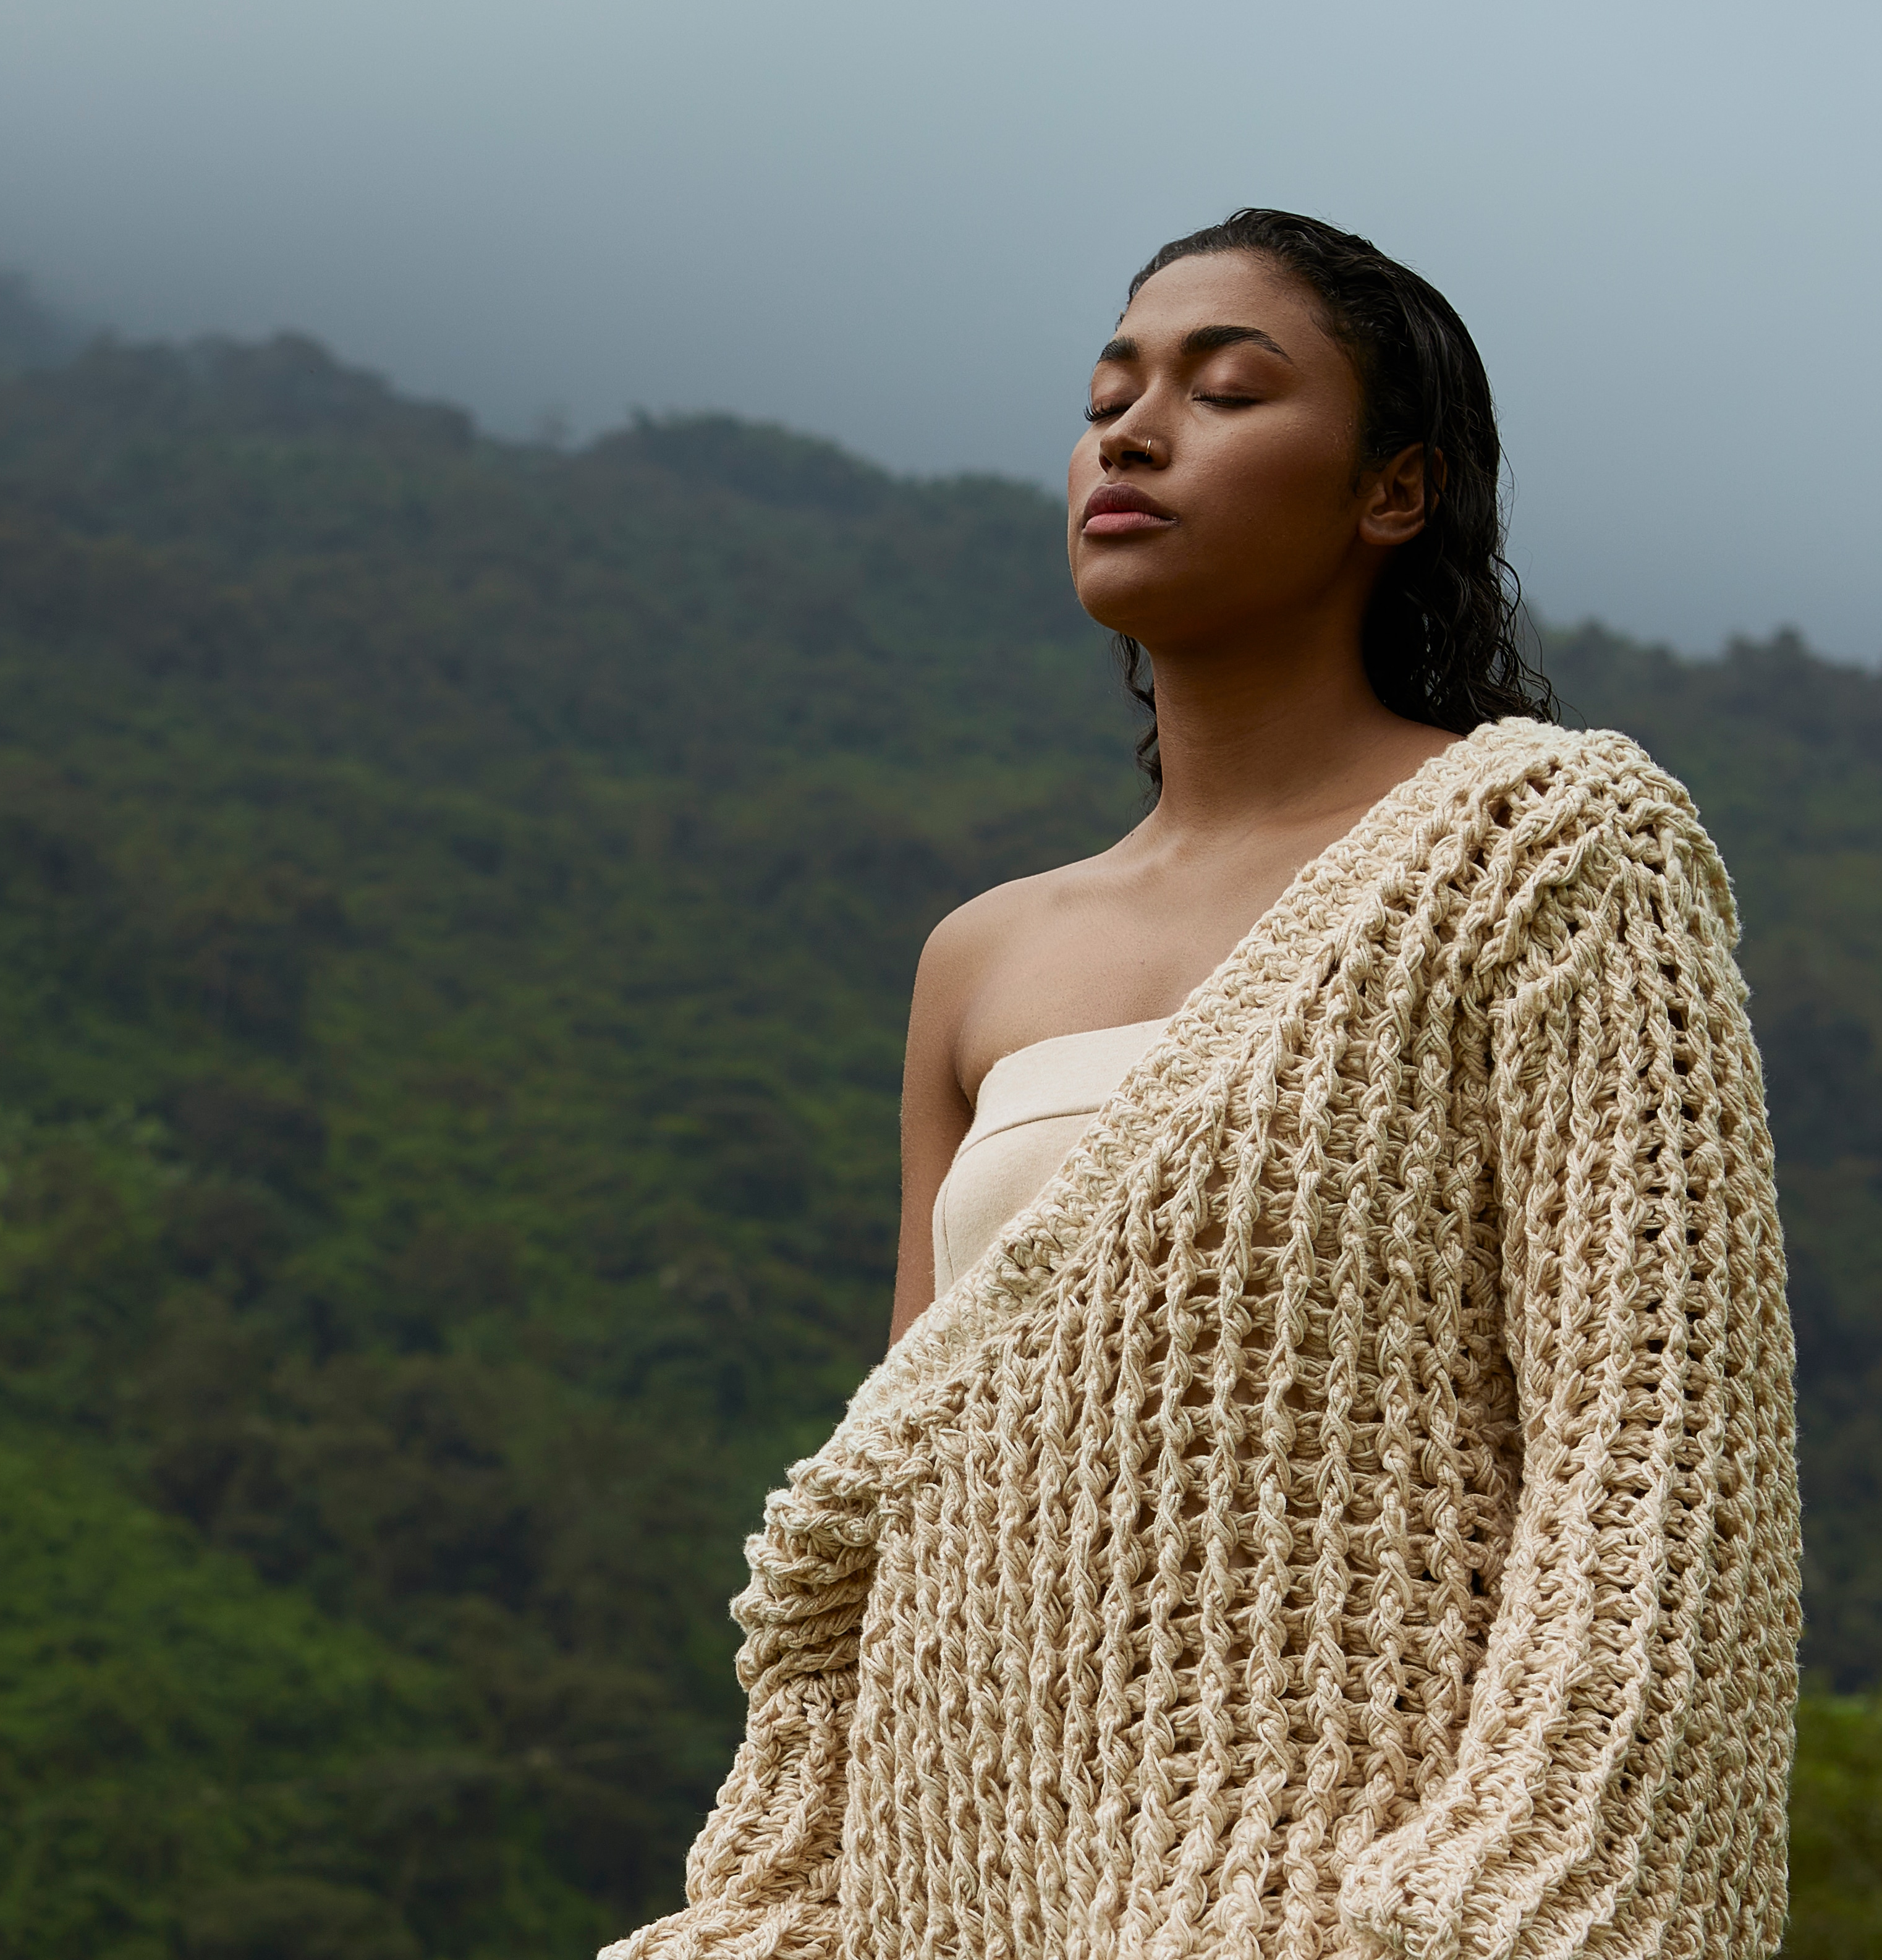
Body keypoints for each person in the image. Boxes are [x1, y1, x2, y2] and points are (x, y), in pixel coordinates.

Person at [609, 211, 1801, 1960]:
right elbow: (896, 1496)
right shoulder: (980, 957)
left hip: (1338, 1908)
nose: (1133, 431)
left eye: (1226, 390)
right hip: (963, 1900)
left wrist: (1510, 1906)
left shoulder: (1541, 848)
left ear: (1392, 491)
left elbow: (1658, 1457)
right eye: (1108, 393)